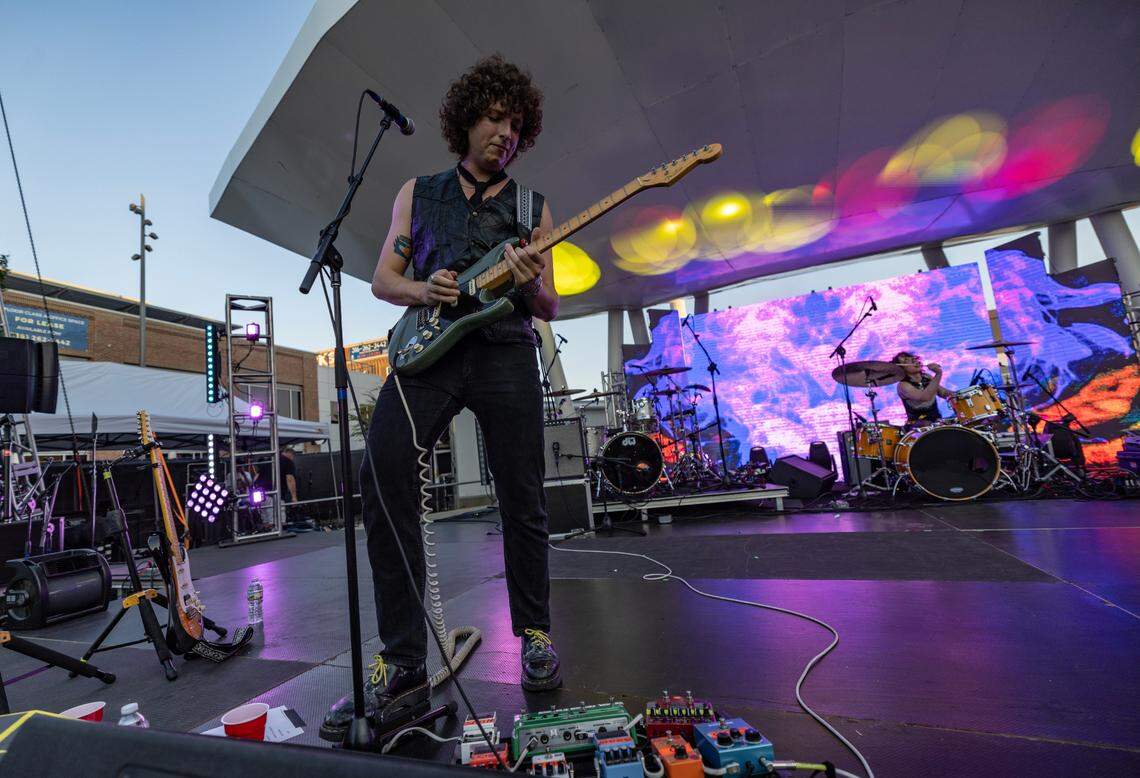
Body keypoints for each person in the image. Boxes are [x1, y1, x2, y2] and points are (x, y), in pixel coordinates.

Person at [322, 54, 560, 741]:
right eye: (494, 118)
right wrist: (427, 291)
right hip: (428, 354)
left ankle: (536, 636)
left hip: (506, 354)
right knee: (381, 470)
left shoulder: (531, 207)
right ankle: (402, 663)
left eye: (516, 124)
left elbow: (550, 303)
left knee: (524, 496)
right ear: (466, 120)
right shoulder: (417, 192)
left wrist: (530, 277)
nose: (505, 133)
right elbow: (383, 278)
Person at [892, 351, 954, 425]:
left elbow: (943, 393)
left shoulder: (926, 377)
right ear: (901, 369)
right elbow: (925, 397)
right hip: (918, 427)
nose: (914, 361)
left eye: (913, 359)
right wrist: (938, 374)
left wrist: (961, 394)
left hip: (937, 422)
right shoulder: (903, 385)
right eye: (905, 360)